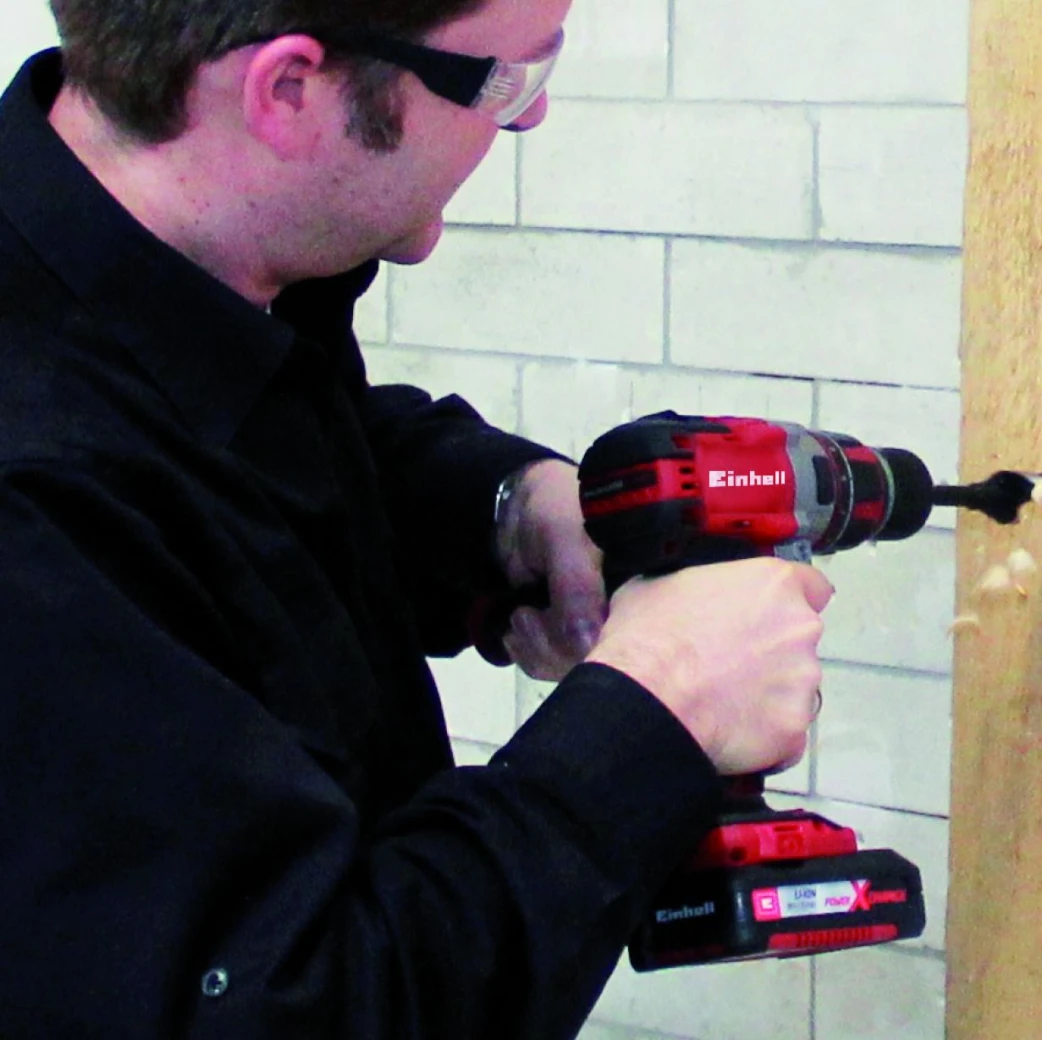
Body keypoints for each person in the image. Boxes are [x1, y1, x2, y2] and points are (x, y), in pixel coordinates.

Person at [0, 0, 833, 1036]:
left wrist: (505, 510)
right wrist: (661, 709)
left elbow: (237, 463)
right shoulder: (34, 504)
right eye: (503, 80)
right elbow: (306, 1006)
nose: (527, 118)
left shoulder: (154, 270)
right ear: (288, 92)